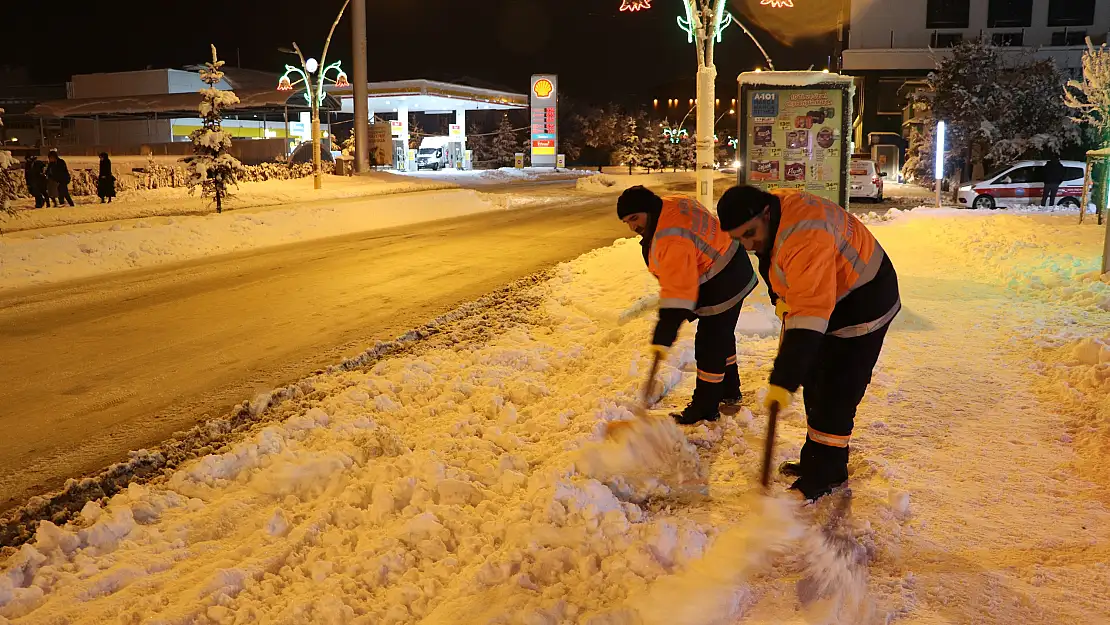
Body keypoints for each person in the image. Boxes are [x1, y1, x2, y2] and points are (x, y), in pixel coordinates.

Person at [717, 186, 900, 501]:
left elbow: (810, 316)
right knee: (815, 379)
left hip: (864, 301)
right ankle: (815, 461)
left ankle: (828, 473)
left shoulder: (804, 234)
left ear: (765, 214)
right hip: (832, 298)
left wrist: (783, 380)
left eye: (749, 234)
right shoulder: (773, 218)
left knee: (837, 390)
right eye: (740, 240)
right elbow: (786, 280)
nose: (749, 245)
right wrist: (782, 302)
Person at [617, 186, 758, 424]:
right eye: (626, 222)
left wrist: (665, 331)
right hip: (732, 264)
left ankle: (706, 406)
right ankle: (729, 391)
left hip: (722, 281)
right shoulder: (673, 203)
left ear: (649, 210)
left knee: (709, 345)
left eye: (635, 218)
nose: (633, 227)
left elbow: (679, 291)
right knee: (721, 337)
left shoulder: (670, 237)